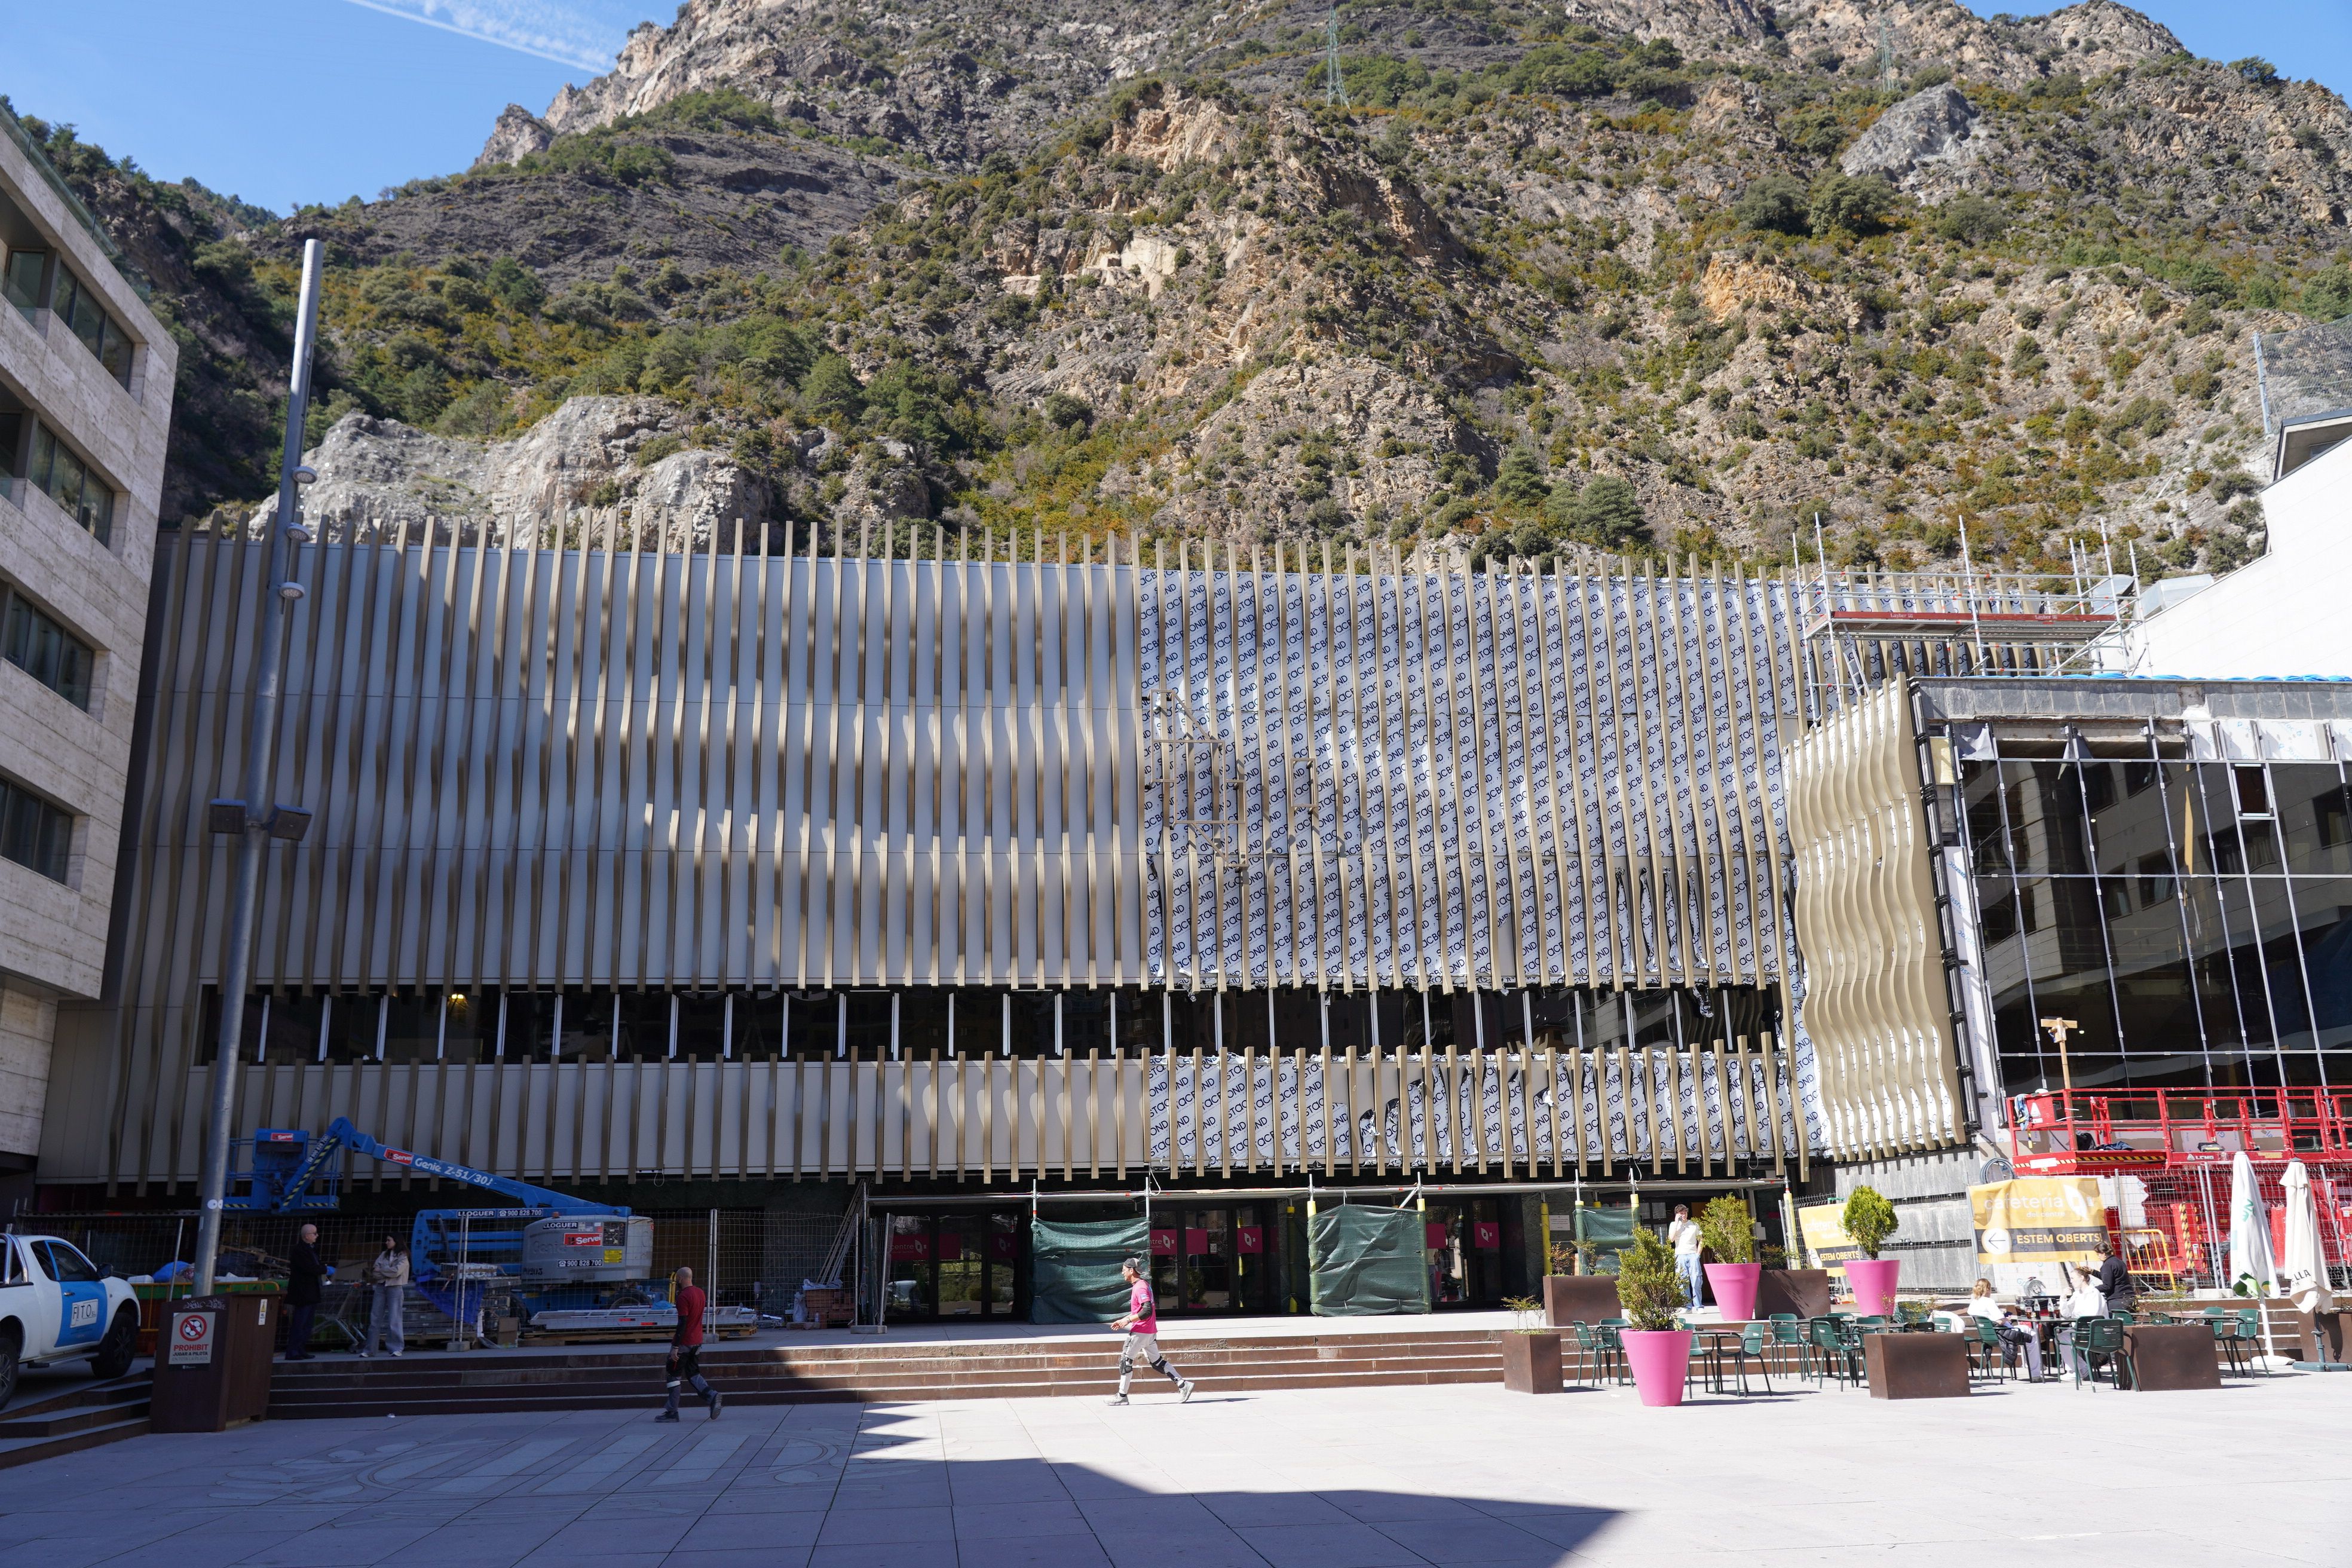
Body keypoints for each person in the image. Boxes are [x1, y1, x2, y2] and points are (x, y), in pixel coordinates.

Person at [1108, 1255, 1193, 1406]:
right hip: (1149, 1331)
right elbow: (1141, 1310)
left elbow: (1147, 1310)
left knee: (1125, 1361)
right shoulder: (1143, 1285)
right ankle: (1183, 1385)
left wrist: (1128, 1320)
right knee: (1157, 1362)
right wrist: (1124, 1320)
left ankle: (1122, 1396)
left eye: (1124, 1270)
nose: (1122, 1273)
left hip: (1140, 1331)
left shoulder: (1140, 1287)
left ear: (1131, 1270)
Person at [658, 1265, 722, 1422]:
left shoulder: (683, 1297)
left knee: (673, 1375)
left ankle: (672, 1412)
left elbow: (683, 1323)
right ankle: (712, 1395)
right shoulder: (700, 1293)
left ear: (680, 1278)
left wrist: (675, 1346)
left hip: (684, 1343)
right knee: (693, 1373)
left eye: (677, 1279)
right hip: (697, 1341)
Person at [1967, 1278, 2044, 1381]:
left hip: (1987, 1337)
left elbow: (1987, 1320)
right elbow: (2000, 1321)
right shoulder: (1989, 1301)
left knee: (2027, 1336)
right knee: (2032, 1335)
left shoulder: (1974, 1303)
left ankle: (2030, 1364)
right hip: (2002, 1334)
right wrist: (2006, 1319)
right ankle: (2035, 1373)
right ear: (1988, 1289)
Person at [362, 1234, 408, 1359]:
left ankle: (396, 1348)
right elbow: (374, 1272)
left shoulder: (403, 1256)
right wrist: (387, 1271)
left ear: (396, 1241)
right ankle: (370, 1350)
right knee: (375, 1318)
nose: (386, 1242)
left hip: (395, 1288)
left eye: (389, 1240)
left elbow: (397, 1272)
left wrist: (382, 1270)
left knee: (394, 1319)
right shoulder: (384, 1254)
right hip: (381, 1287)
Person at [284, 1223, 326, 1362]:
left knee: (307, 1323)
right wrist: (324, 1269)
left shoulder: (311, 1249)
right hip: (303, 1292)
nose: (317, 1236)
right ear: (307, 1236)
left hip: (310, 1291)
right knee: (300, 1322)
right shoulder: (300, 1251)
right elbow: (310, 1268)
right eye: (314, 1233)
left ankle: (300, 1349)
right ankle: (293, 1351)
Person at [1667, 1204, 1705, 1311]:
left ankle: (1698, 1306)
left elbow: (1701, 1240)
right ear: (1677, 1214)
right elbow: (1671, 1239)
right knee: (1682, 1281)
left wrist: (1698, 1254)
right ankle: (1687, 1306)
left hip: (1693, 1254)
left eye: (1685, 1213)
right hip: (1680, 1255)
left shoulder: (1694, 1224)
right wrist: (1676, 1222)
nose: (1683, 1215)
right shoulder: (1673, 1225)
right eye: (1681, 1214)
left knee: (1696, 1281)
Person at [2091, 1241, 2136, 1316]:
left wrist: (2091, 1289)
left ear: (2104, 1253)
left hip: (2117, 1301)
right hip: (2130, 1298)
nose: (2098, 1257)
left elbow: (2107, 1286)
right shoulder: (2119, 1262)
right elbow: (2111, 1278)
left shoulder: (2107, 1265)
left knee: (2117, 1323)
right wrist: (2093, 1272)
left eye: (2098, 1254)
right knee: (2130, 1322)